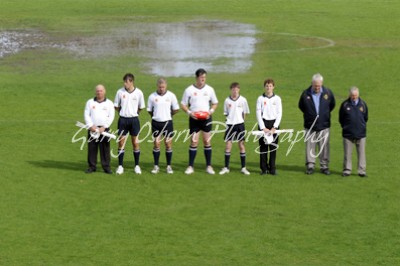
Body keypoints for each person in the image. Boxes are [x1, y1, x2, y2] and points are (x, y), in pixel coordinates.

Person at [181, 68, 218, 175]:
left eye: (204, 78)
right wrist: (189, 113)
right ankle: (190, 166)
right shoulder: (189, 90)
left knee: (207, 141)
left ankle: (209, 166)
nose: (203, 79)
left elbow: (215, 103)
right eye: (201, 77)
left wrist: (210, 112)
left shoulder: (210, 89)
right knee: (194, 142)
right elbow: (183, 104)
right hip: (194, 119)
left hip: (206, 119)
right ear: (197, 77)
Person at [298, 73, 336, 175]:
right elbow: (301, 106)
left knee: (324, 147)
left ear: (322, 83)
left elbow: (332, 105)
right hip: (310, 126)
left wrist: (324, 115)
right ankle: (310, 166)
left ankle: (324, 166)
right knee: (310, 147)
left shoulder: (328, 93)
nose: (317, 87)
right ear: (312, 83)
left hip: (324, 125)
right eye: (315, 86)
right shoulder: (305, 94)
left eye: (319, 86)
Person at [114, 73, 145, 175]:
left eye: (126, 82)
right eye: (124, 82)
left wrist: (135, 113)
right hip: (123, 120)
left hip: (134, 120)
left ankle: (136, 166)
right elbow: (116, 106)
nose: (124, 84)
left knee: (135, 143)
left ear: (131, 81)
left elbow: (141, 107)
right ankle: (120, 166)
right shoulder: (120, 92)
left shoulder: (139, 93)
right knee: (121, 143)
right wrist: (121, 112)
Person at [147, 78, 180, 174]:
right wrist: (156, 115)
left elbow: (176, 109)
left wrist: (169, 115)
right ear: (157, 86)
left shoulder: (171, 96)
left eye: (163, 87)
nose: (161, 89)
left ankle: (168, 166)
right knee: (157, 144)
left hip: (167, 123)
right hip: (156, 123)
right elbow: (149, 110)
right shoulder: (152, 97)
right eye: (160, 87)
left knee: (168, 144)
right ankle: (156, 166)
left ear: (166, 86)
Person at [219, 82, 251, 175]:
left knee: (241, 146)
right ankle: (226, 167)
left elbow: (245, 112)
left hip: (240, 125)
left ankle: (243, 168)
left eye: (236, 89)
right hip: (230, 125)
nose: (235, 90)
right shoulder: (227, 101)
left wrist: (241, 121)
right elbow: (226, 113)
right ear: (231, 90)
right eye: (233, 89)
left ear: (239, 89)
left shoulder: (243, 100)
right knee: (228, 146)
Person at [84, 84, 115, 174]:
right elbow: (86, 114)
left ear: (104, 91)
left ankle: (106, 167)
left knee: (105, 148)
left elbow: (111, 116)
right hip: (92, 129)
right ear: (95, 92)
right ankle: (92, 166)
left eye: (101, 91)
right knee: (92, 148)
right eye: (97, 91)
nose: (99, 92)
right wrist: (90, 125)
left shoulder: (109, 103)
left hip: (104, 129)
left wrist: (104, 126)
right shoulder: (90, 102)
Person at [339, 86, 368, 177]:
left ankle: (361, 171)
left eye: (355, 95)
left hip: (361, 134)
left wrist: (361, 126)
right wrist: (346, 127)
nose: (354, 97)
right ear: (349, 95)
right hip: (348, 134)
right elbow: (341, 119)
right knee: (347, 153)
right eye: (352, 95)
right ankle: (347, 170)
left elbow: (365, 118)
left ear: (358, 94)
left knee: (361, 154)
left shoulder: (363, 104)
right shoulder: (344, 105)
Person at [256, 79, 282, 175]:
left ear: (273, 87)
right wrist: (263, 127)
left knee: (273, 147)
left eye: (270, 86)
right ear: (264, 87)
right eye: (267, 86)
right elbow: (258, 113)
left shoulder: (277, 99)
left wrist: (275, 127)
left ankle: (272, 169)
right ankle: (263, 169)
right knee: (263, 147)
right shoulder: (260, 99)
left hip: (274, 124)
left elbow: (279, 113)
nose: (268, 87)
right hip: (263, 124)